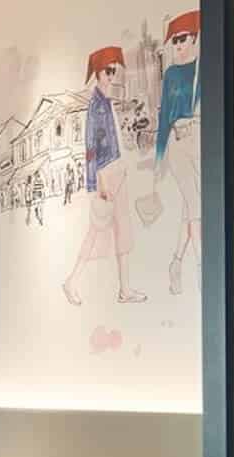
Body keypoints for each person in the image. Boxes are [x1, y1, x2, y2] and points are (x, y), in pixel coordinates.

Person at [64, 46, 146, 306]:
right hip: (108, 174)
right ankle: (72, 281)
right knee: (98, 230)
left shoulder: (107, 102)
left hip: (117, 170)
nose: (112, 75)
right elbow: (91, 148)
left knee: (121, 230)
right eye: (108, 71)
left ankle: (124, 289)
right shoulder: (96, 106)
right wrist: (97, 183)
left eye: (114, 70)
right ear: (98, 73)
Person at [157, 11, 202, 296]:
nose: (178, 45)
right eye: (174, 41)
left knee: (189, 207)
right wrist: (159, 158)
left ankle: (175, 262)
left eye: (182, 39)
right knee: (195, 206)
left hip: (199, 140)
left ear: (195, 38)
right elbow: (164, 117)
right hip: (177, 142)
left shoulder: (203, 69)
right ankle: (202, 269)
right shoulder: (171, 75)